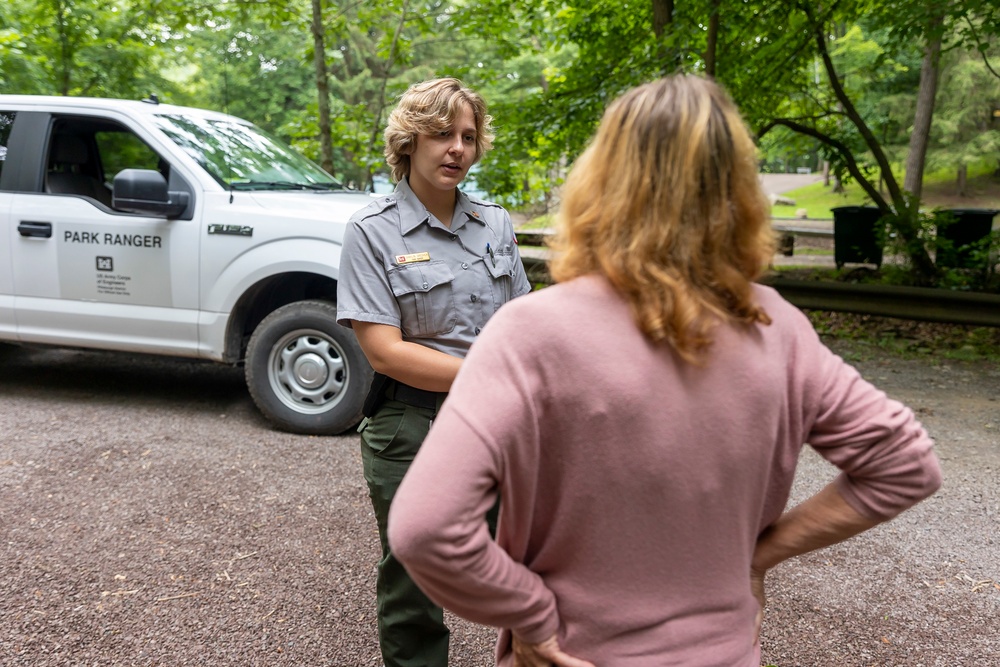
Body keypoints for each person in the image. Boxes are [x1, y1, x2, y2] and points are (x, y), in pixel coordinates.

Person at [386, 74, 942, 667]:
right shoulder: (778, 330)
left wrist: (532, 614)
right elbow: (905, 465)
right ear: (737, 189)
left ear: (600, 179)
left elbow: (427, 529)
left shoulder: (531, 334)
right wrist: (761, 555)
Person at [335, 77, 531, 667]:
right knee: (412, 579)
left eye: (468, 137)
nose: (457, 149)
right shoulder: (371, 231)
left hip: (499, 423)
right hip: (410, 425)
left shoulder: (495, 224)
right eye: (442, 134)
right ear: (409, 140)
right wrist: (493, 375)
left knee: (533, 561)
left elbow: (521, 322)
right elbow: (386, 353)